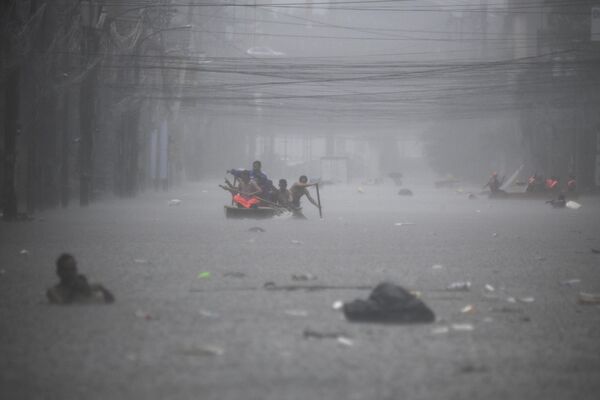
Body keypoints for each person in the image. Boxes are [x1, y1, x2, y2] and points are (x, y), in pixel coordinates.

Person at [46, 253, 115, 304]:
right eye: (67, 270)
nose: (71, 273)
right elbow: (62, 307)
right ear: (59, 272)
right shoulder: (53, 291)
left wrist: (100, 288)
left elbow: (112, 301)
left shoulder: (84, 285)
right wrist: (74, 290)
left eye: (73, 269)